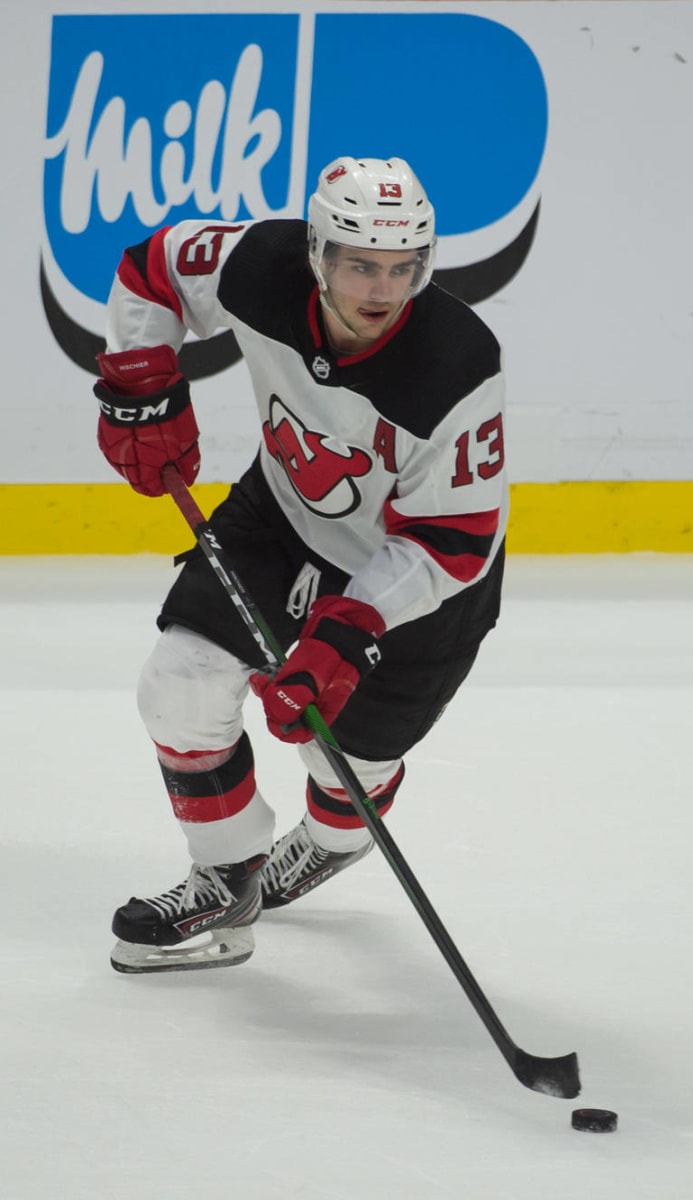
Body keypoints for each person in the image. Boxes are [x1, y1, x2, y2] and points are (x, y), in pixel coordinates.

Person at [93, 156, 508, 973]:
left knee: (343, 762)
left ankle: (330, 839)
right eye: (360, 264)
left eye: (403, 267)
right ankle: (225, 871)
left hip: (413, 584)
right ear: (317, 253)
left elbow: (454, 538)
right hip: (279, 519)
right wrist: (139, 379)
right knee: (178, 684)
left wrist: (347, 630)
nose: (382, 290)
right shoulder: (259, 264)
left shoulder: (457, 363)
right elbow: (155, 270)